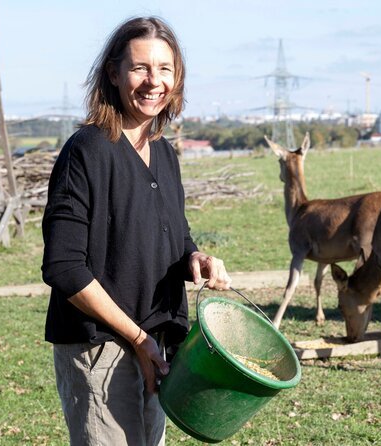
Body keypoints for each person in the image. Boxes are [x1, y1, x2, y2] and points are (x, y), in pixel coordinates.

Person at [41, 16, 232, 446]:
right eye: (140, 68)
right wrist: (137, 338)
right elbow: (64, 267)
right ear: (113, 73)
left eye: (165, 69)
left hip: (156, 343)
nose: (154, 81)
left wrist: (194, 259)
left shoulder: (163, 153)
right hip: (101, 348)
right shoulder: (87, 151)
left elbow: (173, 237)